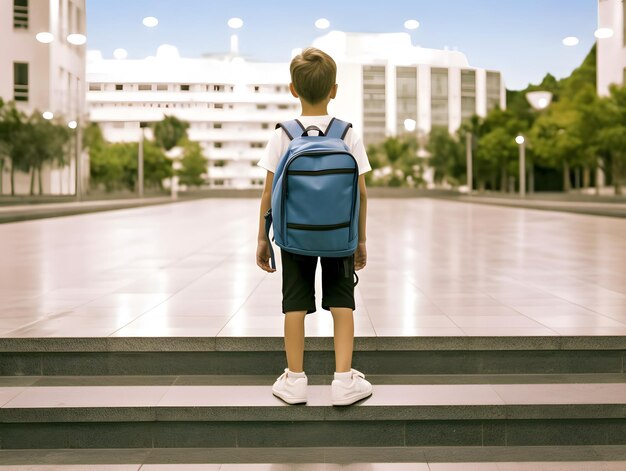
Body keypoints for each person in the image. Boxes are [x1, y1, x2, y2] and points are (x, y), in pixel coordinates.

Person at [256, 47, 373, 406]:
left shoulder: (283, 135)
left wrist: (263, 238)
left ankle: (294, 380)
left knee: (294, 304)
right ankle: (343, 381)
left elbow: (268, 193)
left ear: (293, 89)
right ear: (334, 90)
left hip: (294, 237)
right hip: (339, 235)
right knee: (342, 303)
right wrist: (360, 240)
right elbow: (362, 194)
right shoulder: (347, 133)